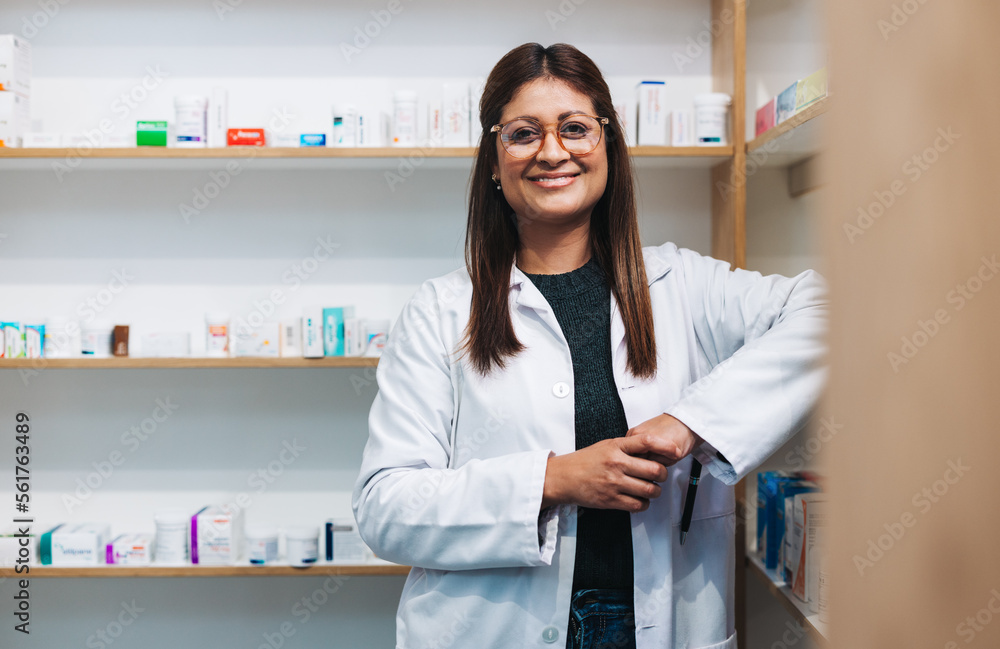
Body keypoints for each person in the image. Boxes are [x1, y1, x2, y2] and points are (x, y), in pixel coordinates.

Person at [352, 42, 827, 649]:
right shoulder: (441, 311)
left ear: (607, 146)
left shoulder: (684, 286)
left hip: (660, 626)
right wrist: (553, 479)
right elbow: (385, 510)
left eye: (575, 128)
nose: (554, 151)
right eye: (524, 133)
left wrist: (692, 421)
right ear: (494, 163)